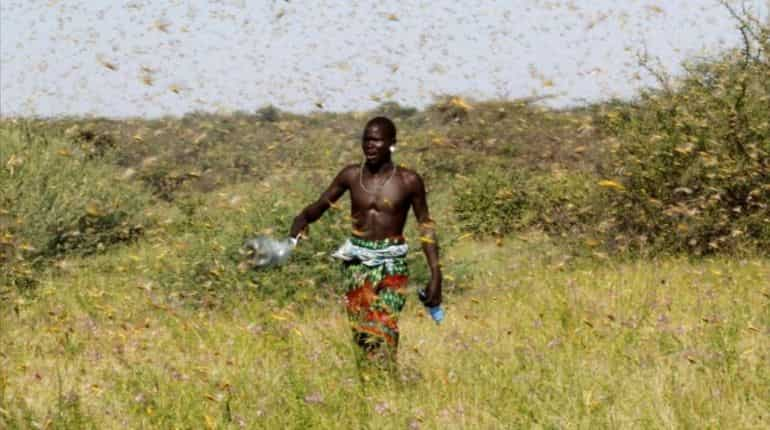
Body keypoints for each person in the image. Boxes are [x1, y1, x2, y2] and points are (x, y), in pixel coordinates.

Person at [289, 116, 442, 364]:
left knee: (384, 324)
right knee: (361, 330)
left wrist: (436, 274)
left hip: (392, 262)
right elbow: (321, 204)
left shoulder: (408, 181)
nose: (370, 145)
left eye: (377, 140)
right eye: (366, 140)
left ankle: (388, 381)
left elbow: (425, 224)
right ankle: (369, 387)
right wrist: (302, 218)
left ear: (391, 144)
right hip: (357, 263)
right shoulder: (351, 176)